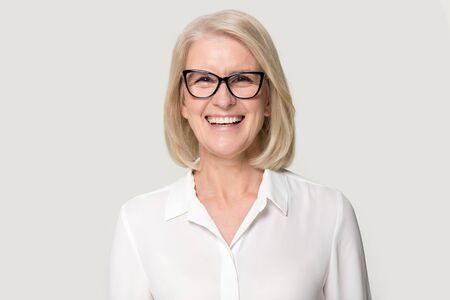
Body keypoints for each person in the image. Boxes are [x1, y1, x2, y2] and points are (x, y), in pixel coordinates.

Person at [109, 9, 372, 300]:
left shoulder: (329, 213)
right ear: (182, 101)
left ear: (269, 98)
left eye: (243, 79)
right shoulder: (139, 222)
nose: (223, 100)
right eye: (203, 80)